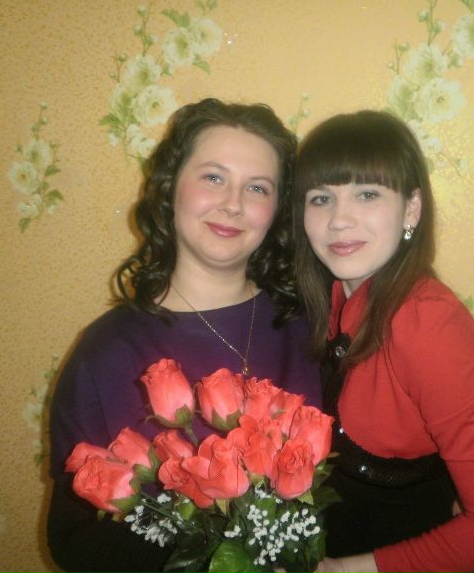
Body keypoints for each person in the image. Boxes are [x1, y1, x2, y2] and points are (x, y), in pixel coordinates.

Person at [47, 98, 322, 572]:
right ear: (171, 185)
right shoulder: (105, 354)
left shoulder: (310, 327)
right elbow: (73, 539)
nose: (232, 204)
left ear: (277, 210)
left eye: (257, 187)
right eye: (213, 177)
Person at [291, 110, 474, 572]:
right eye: (321, 198)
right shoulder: (333, 298)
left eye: (367, 194)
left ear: (411, 209)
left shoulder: (428, 324)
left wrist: (345, 571)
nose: (339, 220)